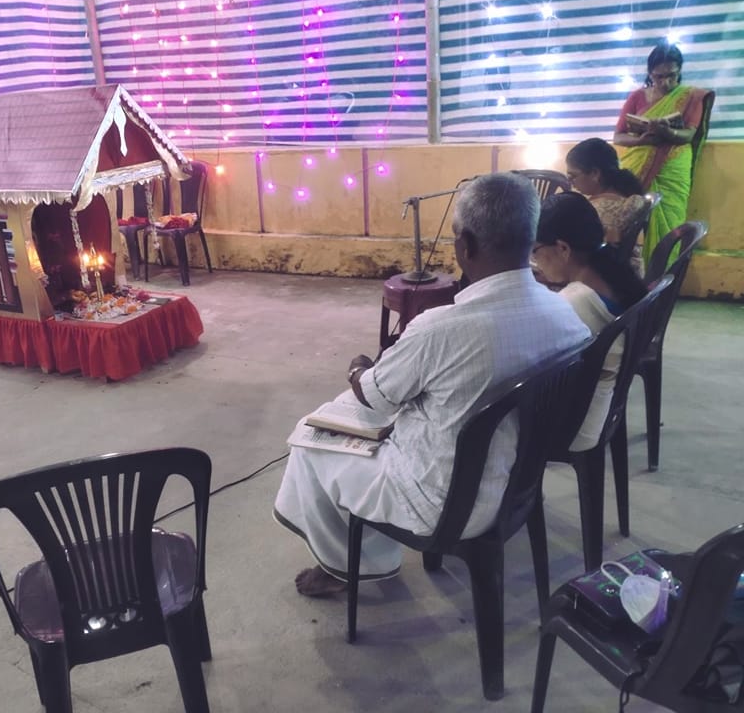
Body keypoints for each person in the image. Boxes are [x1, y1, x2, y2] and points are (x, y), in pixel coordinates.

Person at [273, 173, 592, 597]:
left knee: (308, 440)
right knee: (361, 414)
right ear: (530, 238)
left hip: (439, 503)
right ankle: (358, 558)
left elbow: (374, 401)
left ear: (465, 247)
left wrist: (358, 370)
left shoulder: (440, 329)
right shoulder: (565, 314)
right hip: (516, 484)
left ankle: (346, 566)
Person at [532, 192, 648, 450]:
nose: (536, 262)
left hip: (575, 426)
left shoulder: (574, 303)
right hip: (603, 407)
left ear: (563, 248)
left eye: (536, 250)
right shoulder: (613, 271)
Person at [613, 42, 715, 268]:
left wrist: (667, 131)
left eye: (672, 76)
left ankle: (662, 278)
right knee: (630, 221)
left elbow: (689, 133)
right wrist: (640, 140)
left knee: (670, 221)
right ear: (650, 73)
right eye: (659, 77)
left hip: (673, 165)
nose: (666, 83)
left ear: (680, 71)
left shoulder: (690, 96)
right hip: (638, 165)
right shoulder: (637, 97)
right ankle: (631, 278)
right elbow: (618, 137)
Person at [565, 138, 647, 274]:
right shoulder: (624, 197)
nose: (571, 182)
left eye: (572, 176)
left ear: (595, 174)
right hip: (632, 280)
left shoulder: (599, 210)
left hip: (606, 286)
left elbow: (581, 257)